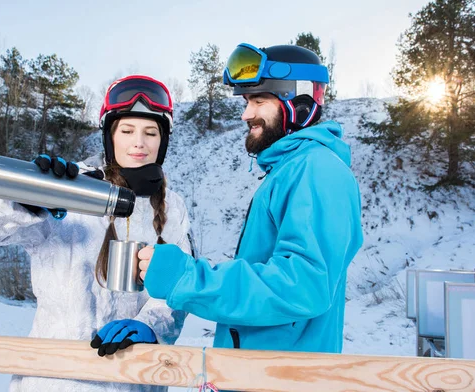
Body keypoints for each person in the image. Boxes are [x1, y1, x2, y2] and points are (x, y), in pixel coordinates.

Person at [0, 75, 194, 392]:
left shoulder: (172, 209)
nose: (138, 142)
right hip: (53, 380)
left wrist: (149, 325)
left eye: (150, 132)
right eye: (126, 131)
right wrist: (27, 198)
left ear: (163, 141)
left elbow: (178, 292)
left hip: (131, 380)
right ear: (109, 137)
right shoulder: (67, 188)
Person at [137, 44, 363, 354]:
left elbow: (302, 285)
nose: (246, 114)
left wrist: (187, 278)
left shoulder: (316, 170)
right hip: (258, 375)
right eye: (246, 101)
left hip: (283, 380)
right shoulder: (289, 171)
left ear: (298, 103)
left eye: (258, 101)